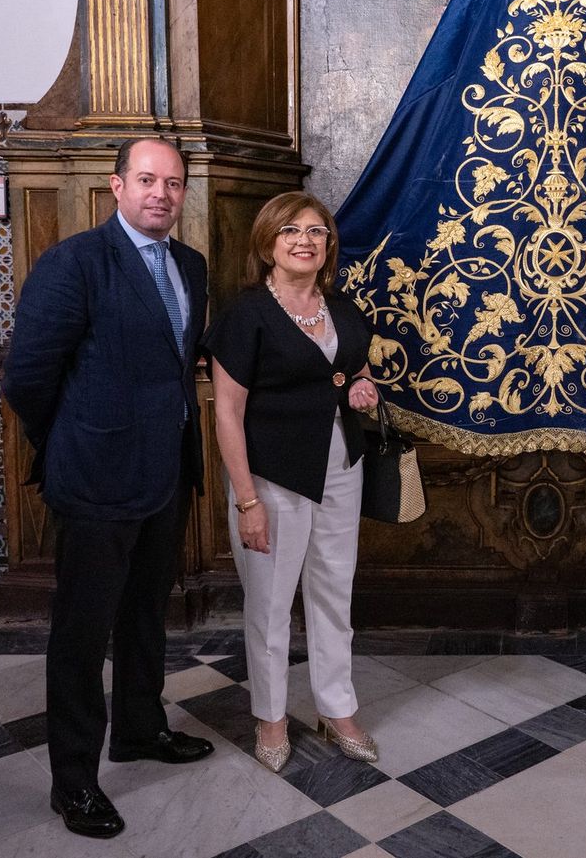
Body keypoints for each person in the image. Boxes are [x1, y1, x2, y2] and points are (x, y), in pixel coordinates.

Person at [3, 138, 214, 840]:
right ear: (116, 185)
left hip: (166, 476)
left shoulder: (191, 265)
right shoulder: (75, 262)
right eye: (147, 179)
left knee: (147, 614)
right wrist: (69, 442)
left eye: (173, 183)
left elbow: (176, 368)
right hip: (95, 478)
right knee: (82, 633)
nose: (161, 193)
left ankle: (141, 729)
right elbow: (29, 377)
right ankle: (75, 781)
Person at [206, 191, 381, 771]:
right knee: (270, 603)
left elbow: (352, 370)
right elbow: (227, 412)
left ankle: (337, 708)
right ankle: (272, 718)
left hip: (340, 469)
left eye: (316, 231)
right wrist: (248, 501)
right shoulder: (245, 314)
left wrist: (362, 385)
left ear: (328, 245)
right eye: (291, 230)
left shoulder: (344, 310)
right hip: (272, 478)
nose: (304, 240)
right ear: (268, 242)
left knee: (334, 594)